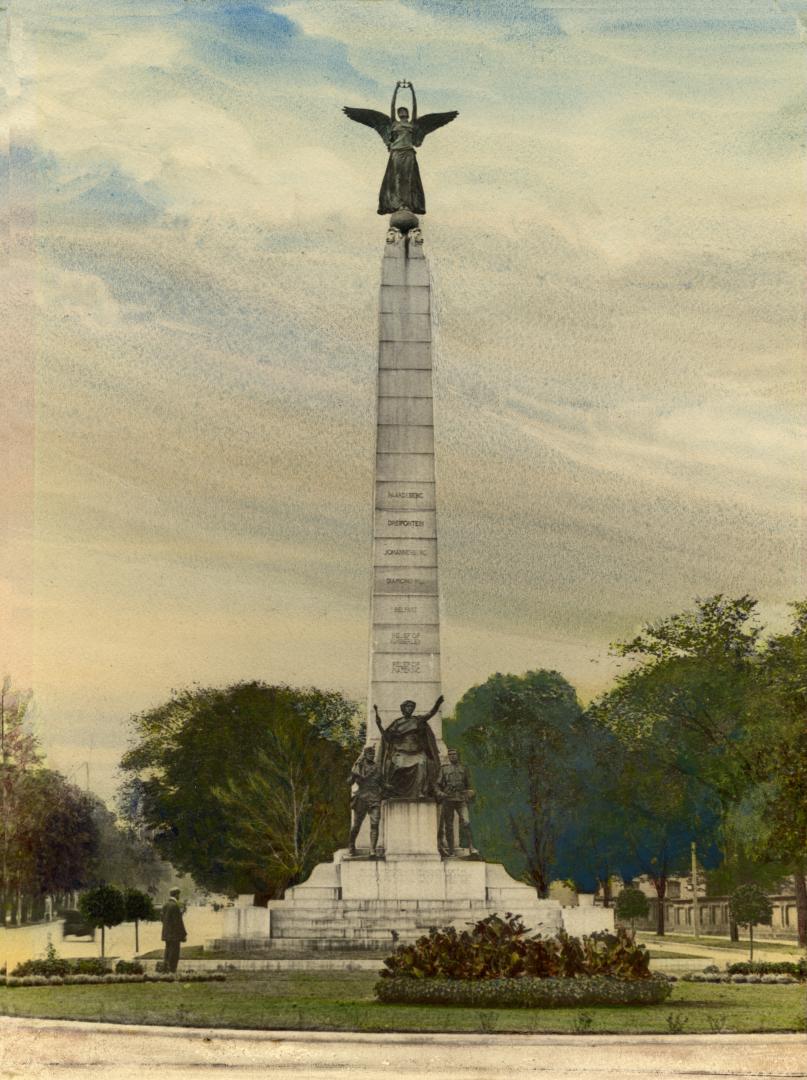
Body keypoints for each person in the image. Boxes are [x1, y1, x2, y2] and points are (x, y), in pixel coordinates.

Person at [343, 82, 458, 215]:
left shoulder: (413, 124)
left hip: (409, 152)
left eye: (404, 110)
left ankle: (407, 204)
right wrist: (396, 88)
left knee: (408, 178)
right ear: (398, 113)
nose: (402, 111)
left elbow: (415, 106)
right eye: (400, 111)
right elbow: (392, 105)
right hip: (396, 152)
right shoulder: (393, 123)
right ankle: (397, 204)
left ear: (408, 113)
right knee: (397, 178)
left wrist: (412, 89)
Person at [375, 695, 443, 798]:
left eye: (411, 707)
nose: (410, 708)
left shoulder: (418, 720)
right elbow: (387, 737)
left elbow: (430, 714)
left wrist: (437, 704)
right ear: (403, 709)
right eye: (407, 706)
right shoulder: (397, 723)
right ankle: (390, 790)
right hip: (402, 752)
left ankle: (420, 791)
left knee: (423, 765)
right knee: (395, 765)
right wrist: (379, 726)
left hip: (417, 752)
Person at [437, 748, 478, 857]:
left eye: (454, 754)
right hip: (448, 799)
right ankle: (451, 850)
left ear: (458, 755)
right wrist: (440, 793)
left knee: (466, 822)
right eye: (450, 755)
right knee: (449, 826)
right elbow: (438, 784)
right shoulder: (444, 769)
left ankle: (471, 846)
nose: (452, 756)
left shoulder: (464, 769)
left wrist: (470, 792)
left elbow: (469, 785)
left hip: (461, 799)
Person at [348, 744, 383, 857]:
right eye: (369, 754)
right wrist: (353, 775)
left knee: (375, 824)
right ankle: (351, 844)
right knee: (357, 825)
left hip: (375, 798)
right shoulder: (359, 767)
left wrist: (392, 787)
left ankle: (372, 849)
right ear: (365, 755)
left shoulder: (377, 768)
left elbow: (382, 783)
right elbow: (349, 782)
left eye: (373, 754)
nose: (371, 756)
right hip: (362, 798)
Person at [161, 888, 187, 973]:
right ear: (176, 895)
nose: (179, 896)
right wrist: (183, 934)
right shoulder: (175, 906)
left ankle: (165, 969)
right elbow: (178, 922)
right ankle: (172, 970)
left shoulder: (165, 905)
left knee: (167, 951)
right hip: (174, 934)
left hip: (166, 933)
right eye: (178, 894)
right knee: (174, 953)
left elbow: (162, 919)